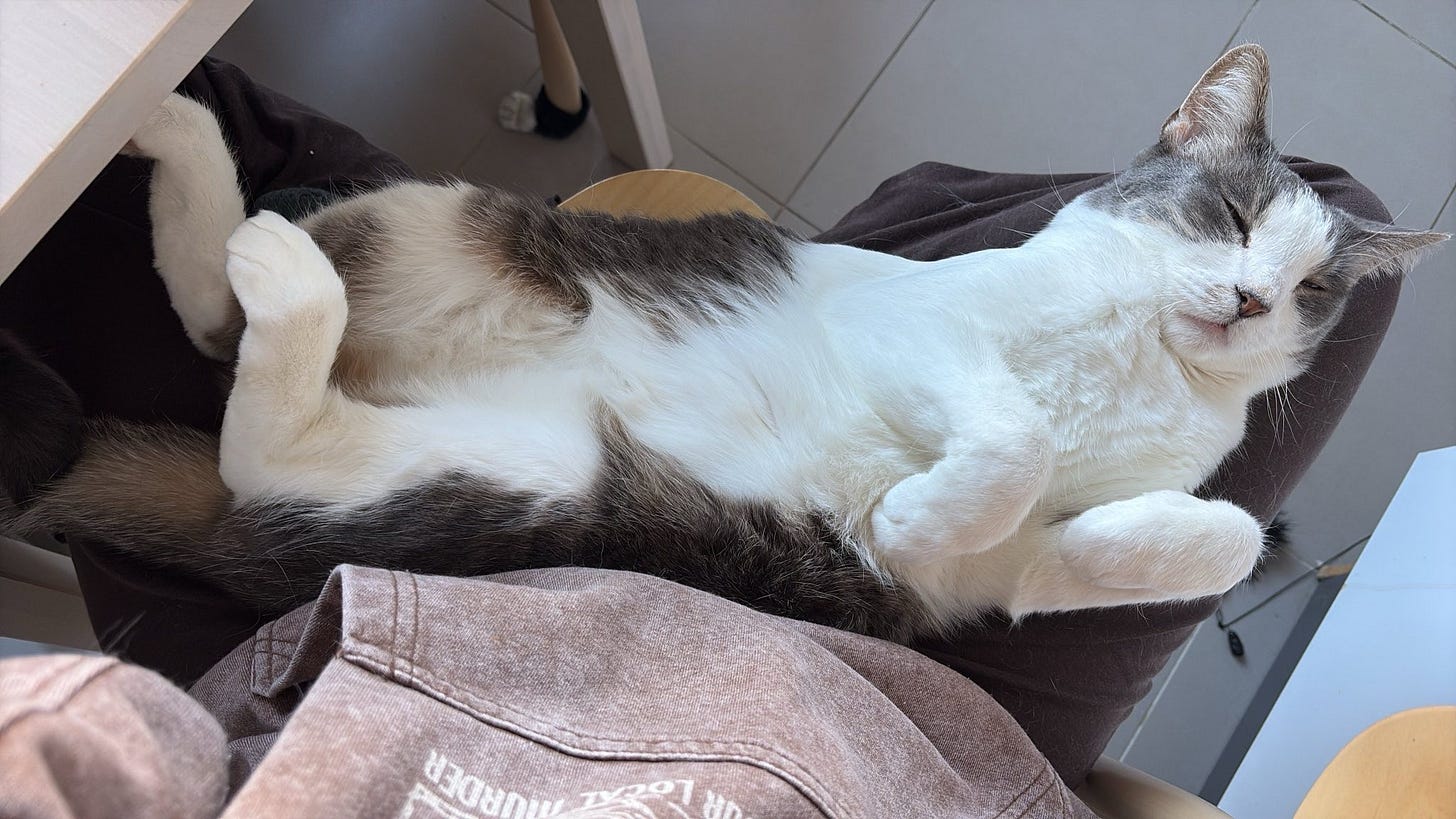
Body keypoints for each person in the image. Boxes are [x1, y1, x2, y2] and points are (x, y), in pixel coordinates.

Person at [0, 58, 1402, 816]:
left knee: (522, 464)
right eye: (1220, 229)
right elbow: (1002, 555)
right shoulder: (1093, 267)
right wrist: (1088, 524)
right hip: (693, 379)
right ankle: (229, 331)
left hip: (681, 541)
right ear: (1167, 163)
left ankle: (270, 422)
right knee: (441, 243)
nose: (1252, 296)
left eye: (1301, 299)